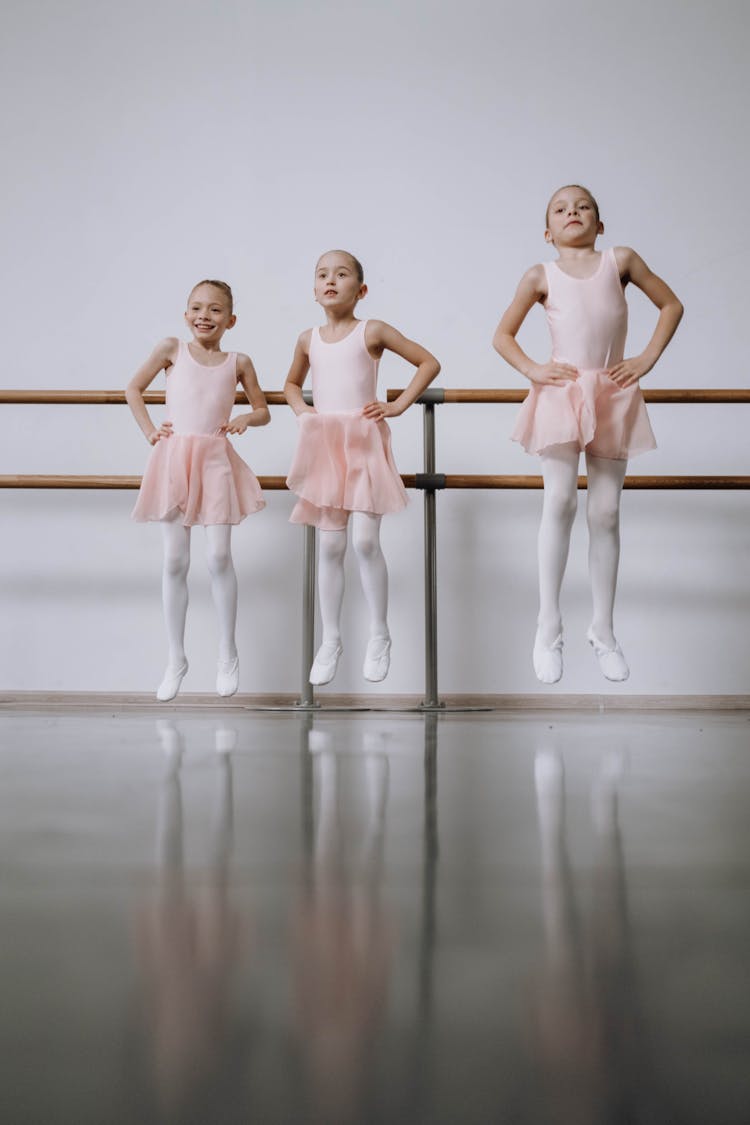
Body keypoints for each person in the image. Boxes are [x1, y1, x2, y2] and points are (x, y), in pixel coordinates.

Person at [493, 186, 683, 683]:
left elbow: (671, 305)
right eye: (560, 209)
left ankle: (603, 628)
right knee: (559, 501)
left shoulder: (620, 260)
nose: (572, 212)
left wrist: (645, 358)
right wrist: (534, 369)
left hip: (612, 392)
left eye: (583, 207)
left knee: (606, 510)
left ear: (600, 225)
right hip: (562, 393)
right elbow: (502, 335)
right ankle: (548, 623)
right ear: (547, 231)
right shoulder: (541, 274)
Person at [284, 250, 440, 686]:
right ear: (314, 289)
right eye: (322, 274)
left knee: (365, 542)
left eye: (342, 273)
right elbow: (291, 383)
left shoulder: (371, 331)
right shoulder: (307, 338)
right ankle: (330, 639)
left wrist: (398, 404)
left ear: (361, 289)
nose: (331, 280)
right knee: (330, 548)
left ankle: (379, 633)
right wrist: (302, 414)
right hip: (325, 447)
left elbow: (428, 361)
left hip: (364, 442)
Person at [127, 280, 270, 701]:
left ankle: (228, 652)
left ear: (231, 319)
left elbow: (262, 409)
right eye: (196, 308)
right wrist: (151, 431)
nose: (203, 316)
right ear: (185, 313)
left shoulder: (238, 361)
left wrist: (247, 418)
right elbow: (133, 388)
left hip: (215, 461)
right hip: (174, 459)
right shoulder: (171, 348)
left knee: (219, 555)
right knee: (174, 558)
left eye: (214, 310)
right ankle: (176, 657)